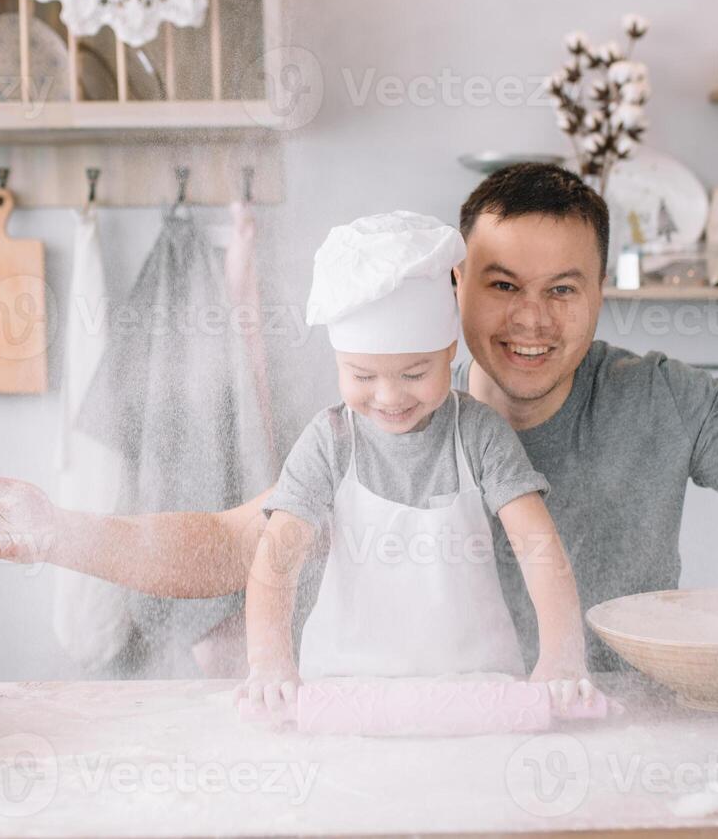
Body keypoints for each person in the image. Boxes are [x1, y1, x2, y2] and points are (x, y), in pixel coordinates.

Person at [0, 164, 718, 670]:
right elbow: (225, 541)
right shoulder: (382, 412)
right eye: (502, 284)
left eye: (565, 287)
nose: (532, 320)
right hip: (410, 751)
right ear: (452, 289)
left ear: (602, 291)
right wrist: (58, 528)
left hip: (611, 742)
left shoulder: (661, 398)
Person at [239, 211, 593, 715]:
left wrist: (562, 657)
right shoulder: (329, 441)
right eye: (362, 375)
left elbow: (537, 546)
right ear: (338, 361)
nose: (388, 396)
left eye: (414, 372)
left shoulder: (478, 433)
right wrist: (270, 661)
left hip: (479, 692)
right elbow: (278, 555)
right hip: (344, 691)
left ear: (448, 349)